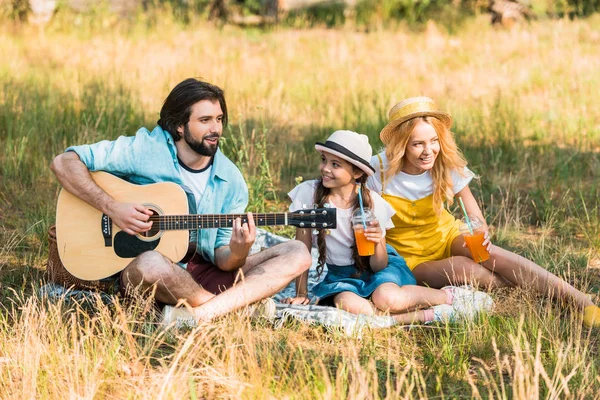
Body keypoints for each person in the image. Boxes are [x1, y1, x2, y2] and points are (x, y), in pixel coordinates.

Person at [50, 78, 312, 325]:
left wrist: (239, 251)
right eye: (205, 120)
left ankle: (199, 315)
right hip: (151, 272)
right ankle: (232, 310)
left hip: (204, 270)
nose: (216, 129)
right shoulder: (145, 150)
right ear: (179, 125)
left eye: (219, 119)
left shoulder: (231, 180)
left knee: (297, 253)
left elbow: (224, 261)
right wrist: (113, 208)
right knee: (151, 262)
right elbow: (64, 162)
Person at [368, 96, 600, 328]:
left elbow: (473, 213)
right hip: (410, 258)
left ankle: (581, 302)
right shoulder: (377, 171)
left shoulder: (443, 163)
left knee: (493, 255)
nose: (429, 151)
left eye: (434, 140)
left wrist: (480, 230)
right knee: (465, 268)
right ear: (401, 144)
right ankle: (538, 295)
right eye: (417, 144)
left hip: (445, 236)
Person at [282, 130, 493, 324]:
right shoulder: (307, 194)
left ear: (356, 173)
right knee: (346, 303)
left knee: (386, 297)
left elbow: (379, 266)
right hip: (342, 276)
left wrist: (378, 241)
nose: (325, 169)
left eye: (336, 164)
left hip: (379, 268)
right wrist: (302, 293)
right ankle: (423, 316)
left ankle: (449, 297)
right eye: (324, 160)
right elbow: (303, 248)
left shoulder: (372, 203)